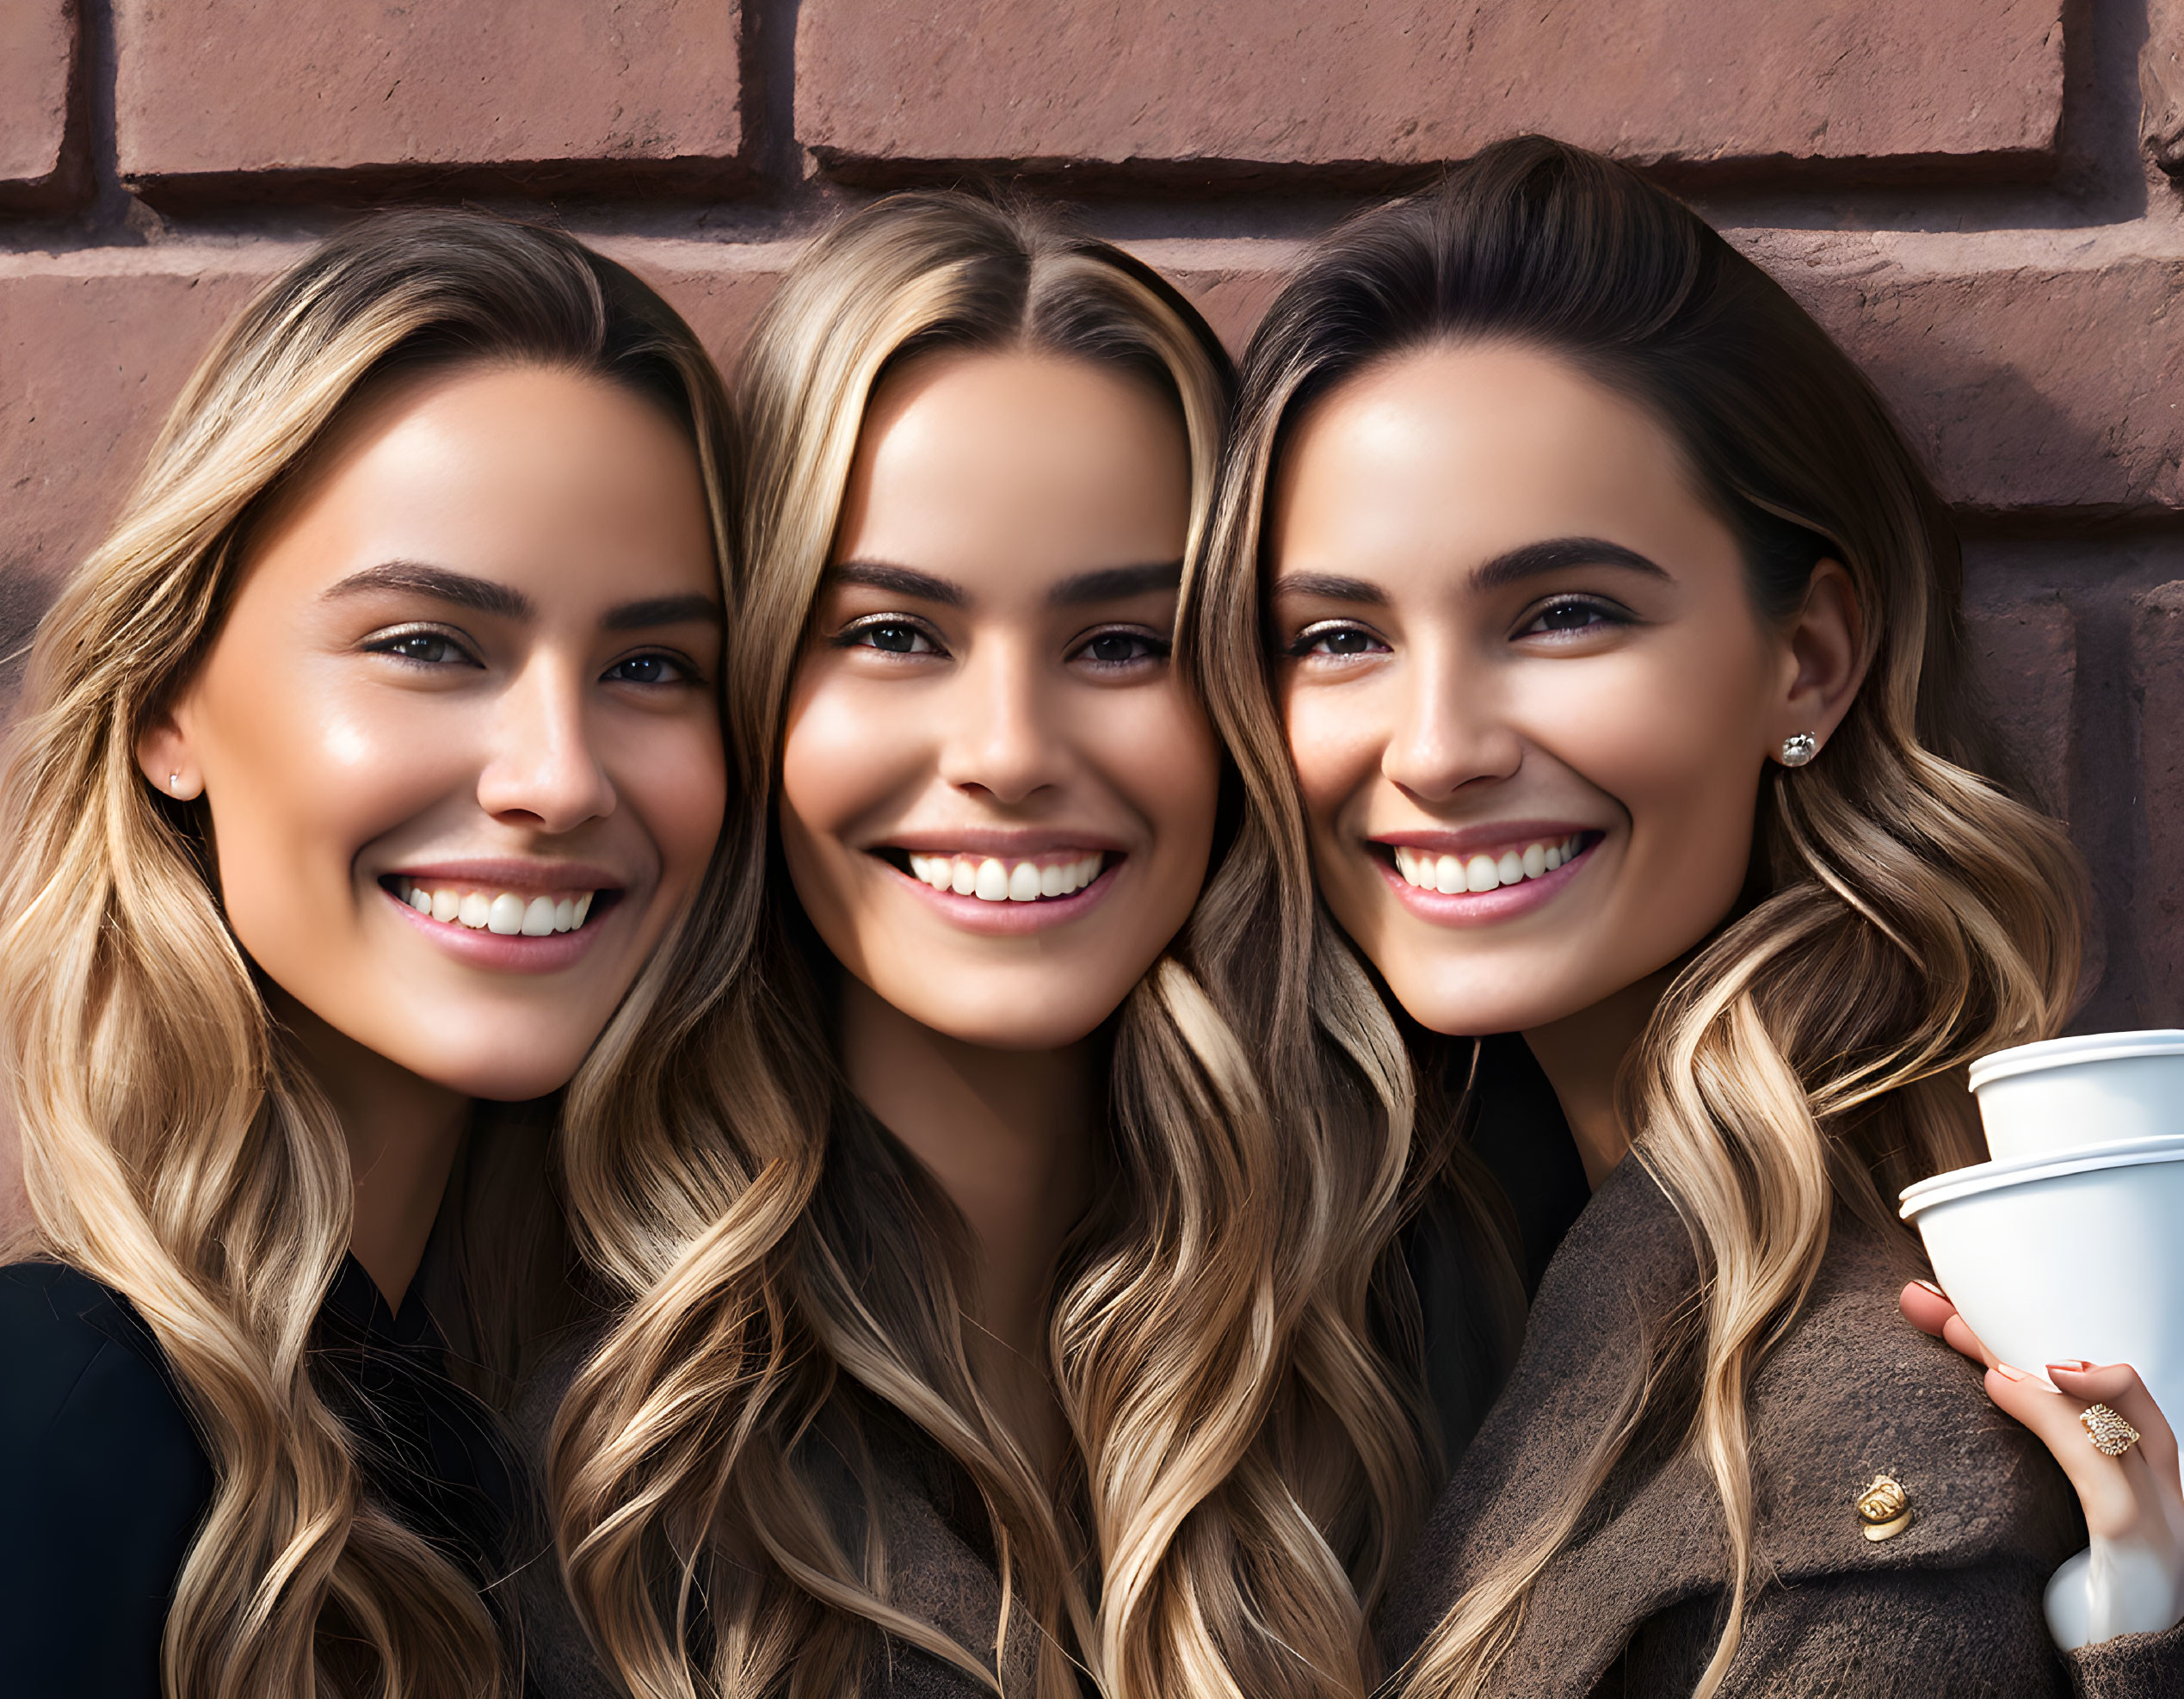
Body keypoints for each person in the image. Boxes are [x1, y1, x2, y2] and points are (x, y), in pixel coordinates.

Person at [1189, 135, 2184, 1695]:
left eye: (1564, 613)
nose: (1436, 745)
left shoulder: (1852, 1474)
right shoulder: (1399, 1287)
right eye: (1336, 634)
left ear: (1808, 661)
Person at [528, 190, 1494, 1699]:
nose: (1007, 751)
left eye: (1120, 643)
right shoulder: (573, 1416)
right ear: (757, 679)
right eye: (894, 635)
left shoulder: (1426, 1312)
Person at [0, 211, 737, 1699]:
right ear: (170, 707)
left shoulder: (497, 1448)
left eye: (650, 666)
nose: (558, 776)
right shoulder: (55, 1423)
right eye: (427, 642)